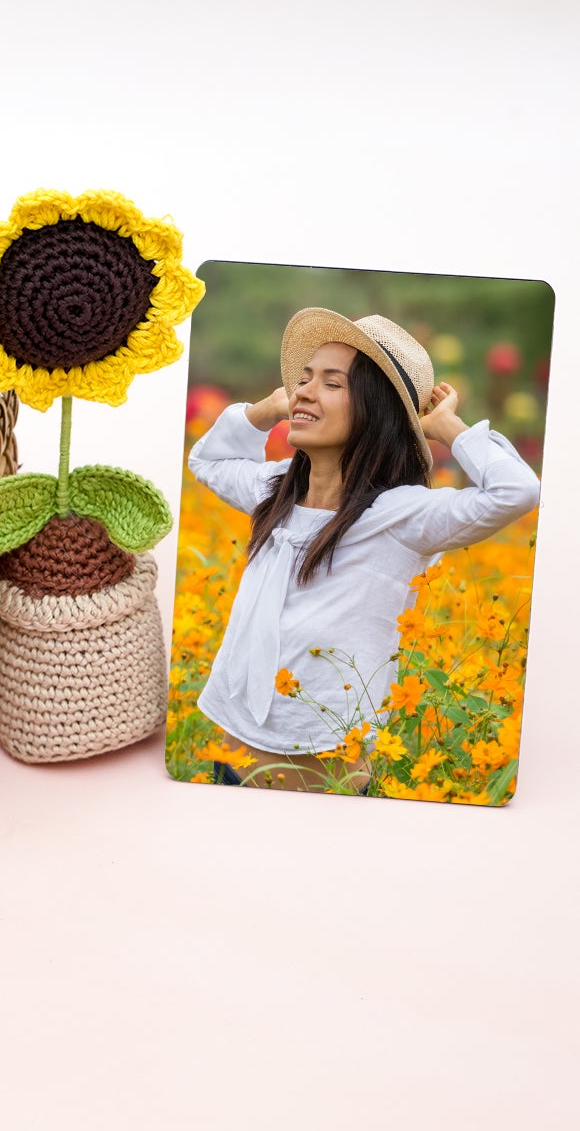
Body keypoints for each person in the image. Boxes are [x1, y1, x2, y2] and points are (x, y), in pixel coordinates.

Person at [188, 309, 540, 791]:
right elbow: (207, 459)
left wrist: (447, 426)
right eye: (304, 379)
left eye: (332, 384)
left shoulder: (401, 516)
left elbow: (516, 490)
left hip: (323, 790)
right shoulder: (274, 491)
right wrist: (267, 409)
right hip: (229, 764)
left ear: (377, 410)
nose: (305, 391)